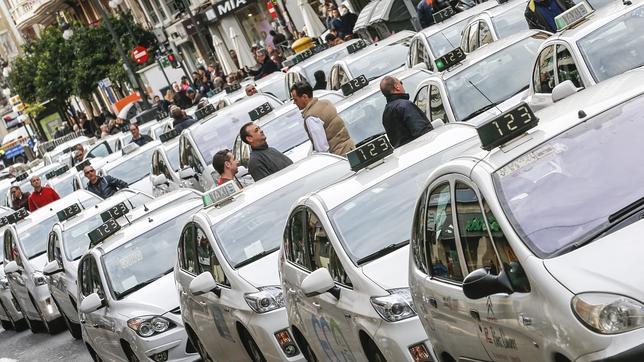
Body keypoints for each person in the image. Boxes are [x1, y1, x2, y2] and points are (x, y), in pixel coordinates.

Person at [290, 81, 354, 156]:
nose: (294, 103)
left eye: (295, 99)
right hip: (351, 148)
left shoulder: (311, 117)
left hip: (339, 157)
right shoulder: (326, 102)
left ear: (305, 97)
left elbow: (322, 148)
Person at [380, 76, 433, 148]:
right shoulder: (405, 106)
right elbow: (422, 131)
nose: (402, 85)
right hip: (420, 148)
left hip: (404, 154)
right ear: (397, 87)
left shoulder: (386, 113)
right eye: (400, 83)